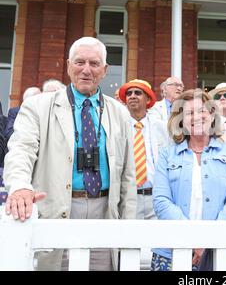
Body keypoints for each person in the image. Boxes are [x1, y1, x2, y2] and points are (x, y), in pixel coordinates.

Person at [3, 37, 136, 271]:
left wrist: (129, 228)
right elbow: (21, 150)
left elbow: (128, 175)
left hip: (105, 212)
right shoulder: (37, 107)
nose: (86, 70)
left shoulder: (120, 113)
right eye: (79, 62)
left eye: (94, 64)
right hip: (56, 209)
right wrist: (20, 185)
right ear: (68, 66)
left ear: (104, 70)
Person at [151, 89, 226, 271]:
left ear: (212, 115)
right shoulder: (166, 155)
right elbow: (161, 201)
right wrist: (192, 239)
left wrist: (208, 241)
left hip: (220, 250)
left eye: (202, 111)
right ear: (180, 120)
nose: (197, 117)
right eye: (189, 113)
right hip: (172, 250)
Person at [119, 79, 170, 220]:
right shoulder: (118, 128)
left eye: (138, 93)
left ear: (148, 99)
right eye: (129, 94)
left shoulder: (162, 128)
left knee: (156, 240)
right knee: (129, 241)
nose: (132, 96)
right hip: (128, 197)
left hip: (156, 197)